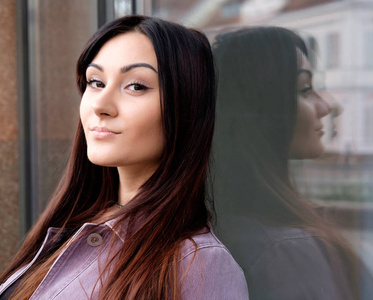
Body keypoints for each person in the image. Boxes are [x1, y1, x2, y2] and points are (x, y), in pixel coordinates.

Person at [0, 16, 248, 300]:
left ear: (185, 106)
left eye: (136, 86)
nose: (101, 106)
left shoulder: (197, 264)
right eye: (95, 82)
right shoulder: (74, 223)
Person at [212, 27, 373, 300]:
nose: (326, 107)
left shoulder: (228, 219)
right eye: (305, 90)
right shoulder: (284, 249)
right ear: (260, 109)